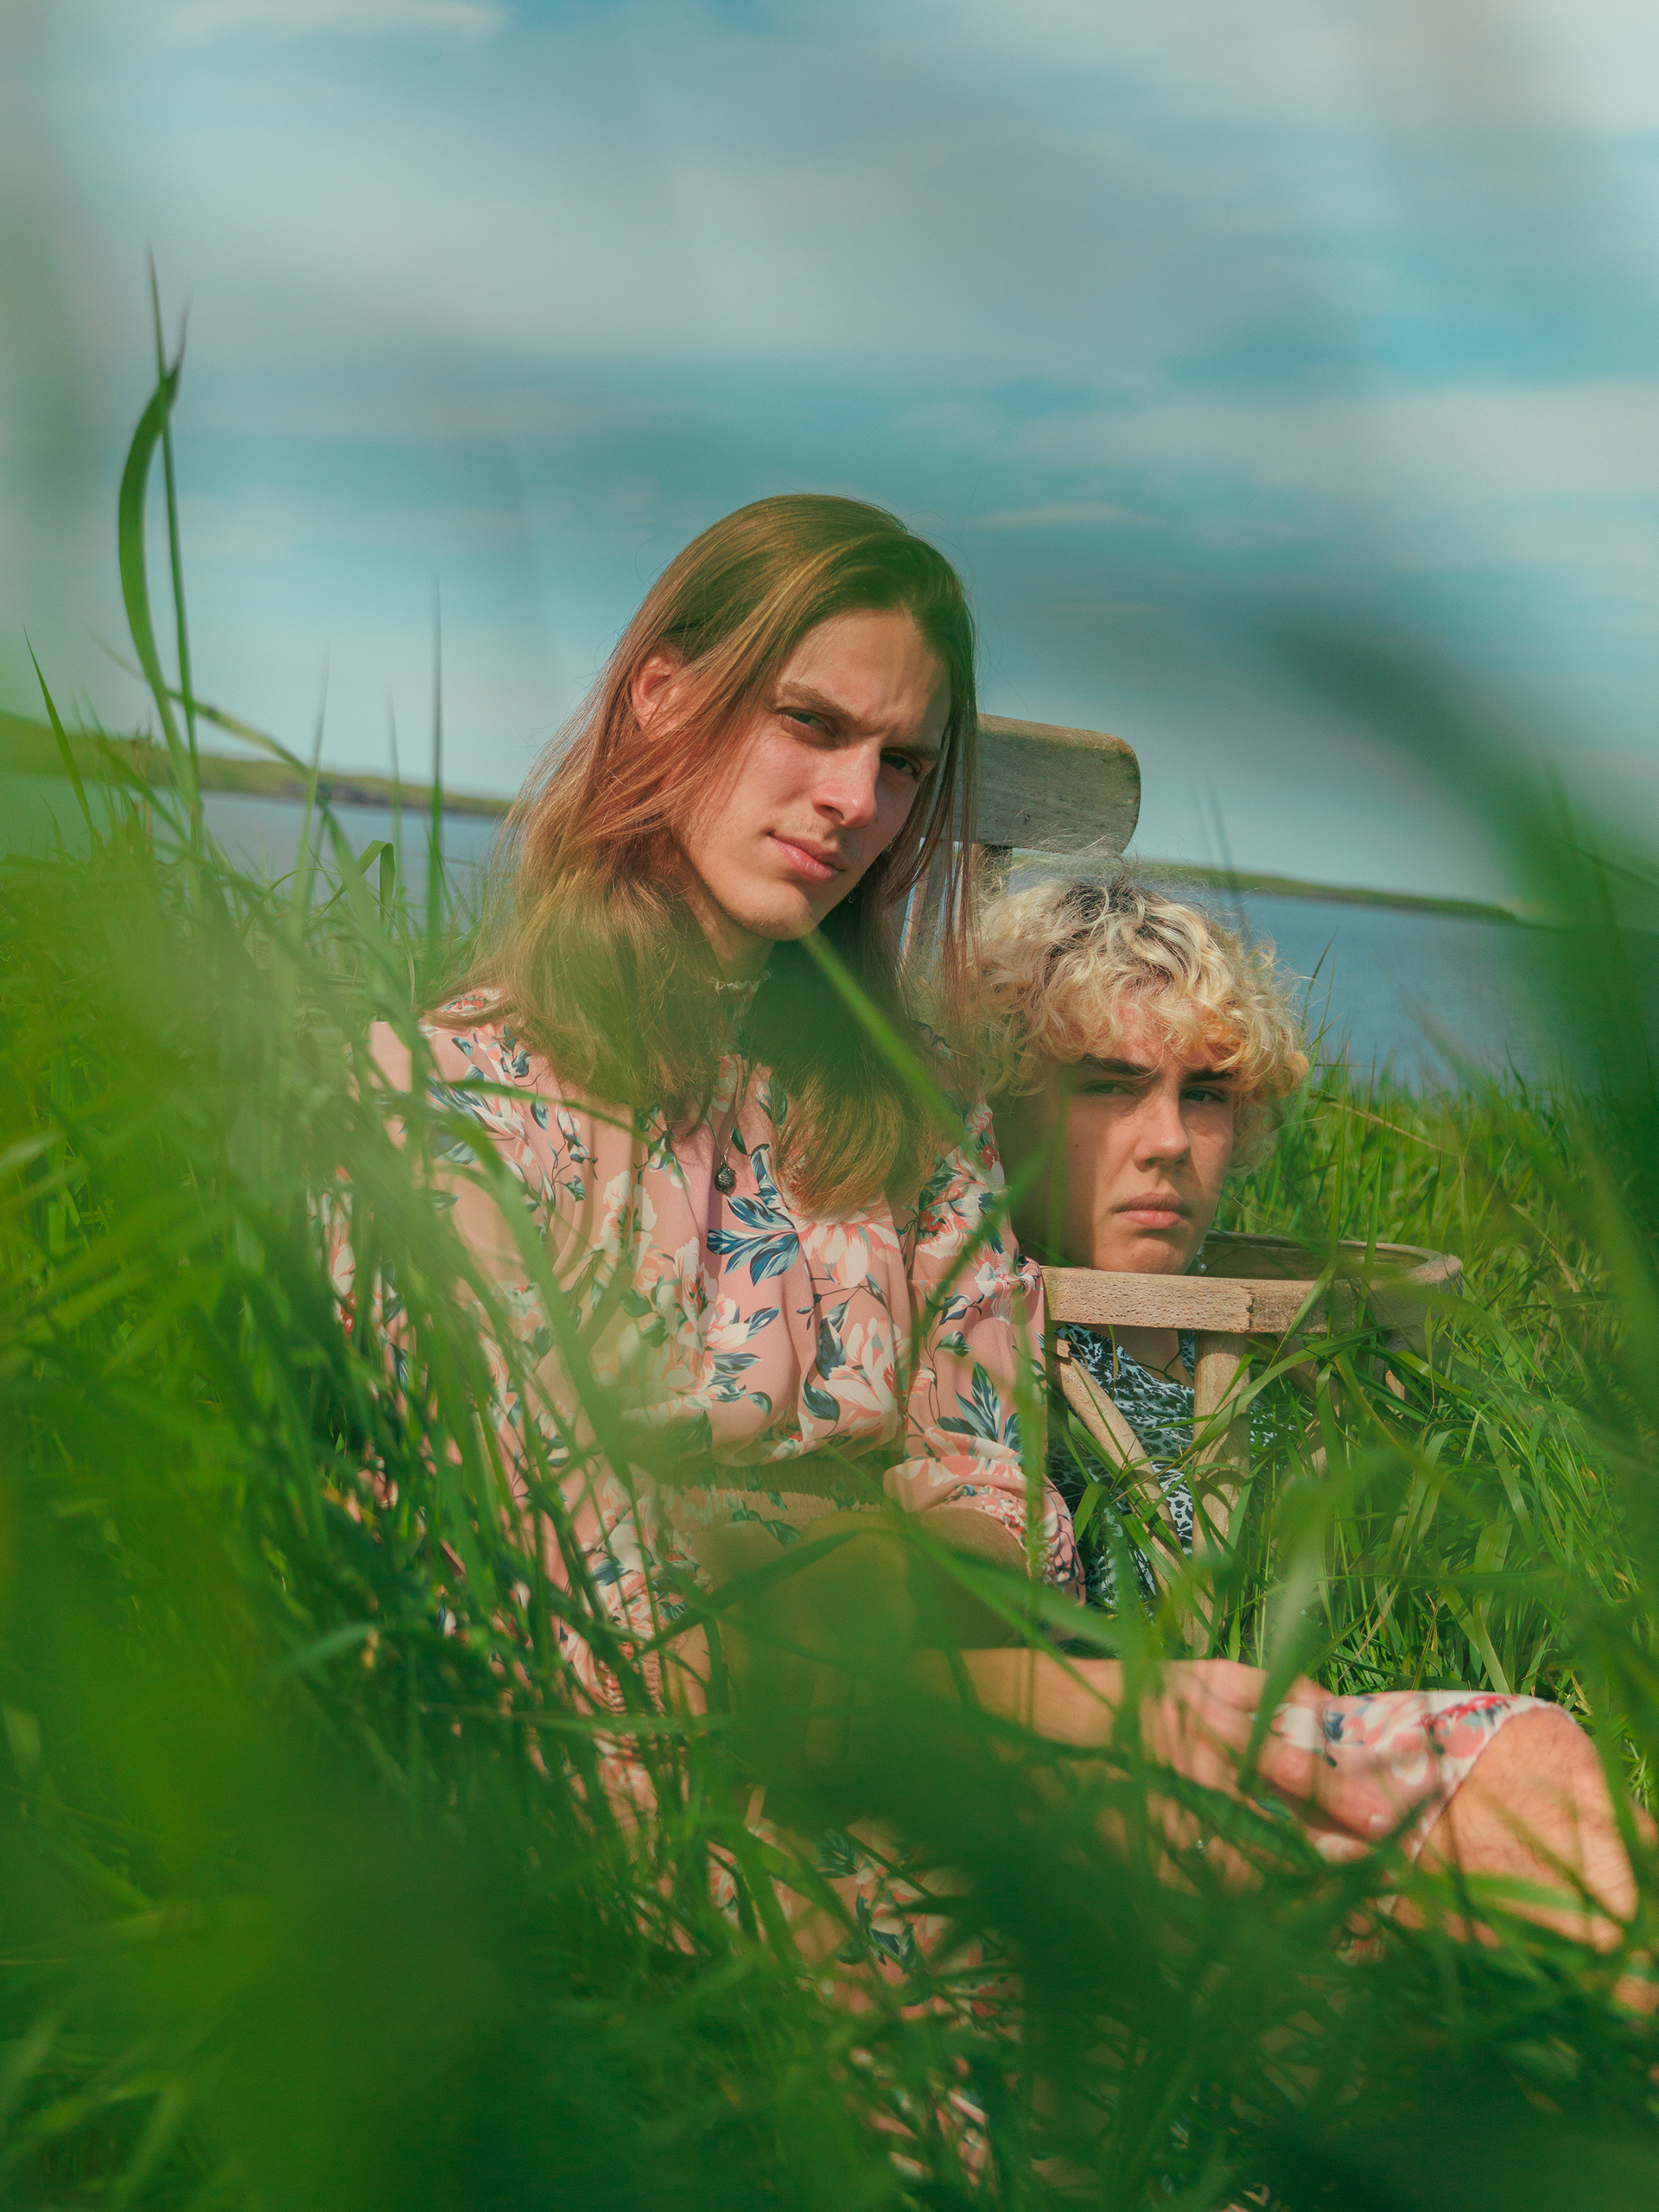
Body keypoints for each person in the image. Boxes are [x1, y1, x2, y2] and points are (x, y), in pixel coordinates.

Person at [326, 497, 1410, 1999]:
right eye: (810, 724)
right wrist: (902, 1586)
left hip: (966, 1729)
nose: (853, 799)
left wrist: (843, 1577)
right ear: (665, 697)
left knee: (1526, 1768)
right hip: (679, 1795)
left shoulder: (908, 1117)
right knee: (1293, 1917)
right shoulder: (449, 1101)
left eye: (901, 764)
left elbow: (1004, 1518)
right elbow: (557, 1581)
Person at [974, 870, 1647, 1942]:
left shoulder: (1289, 1361)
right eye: (1110, 1086)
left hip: (1281, 1771)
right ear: (1006, 1102)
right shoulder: (965, 1344)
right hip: (1090, 1812)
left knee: (1549, 1775)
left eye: (1206, 1095)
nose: (1167, 1140)